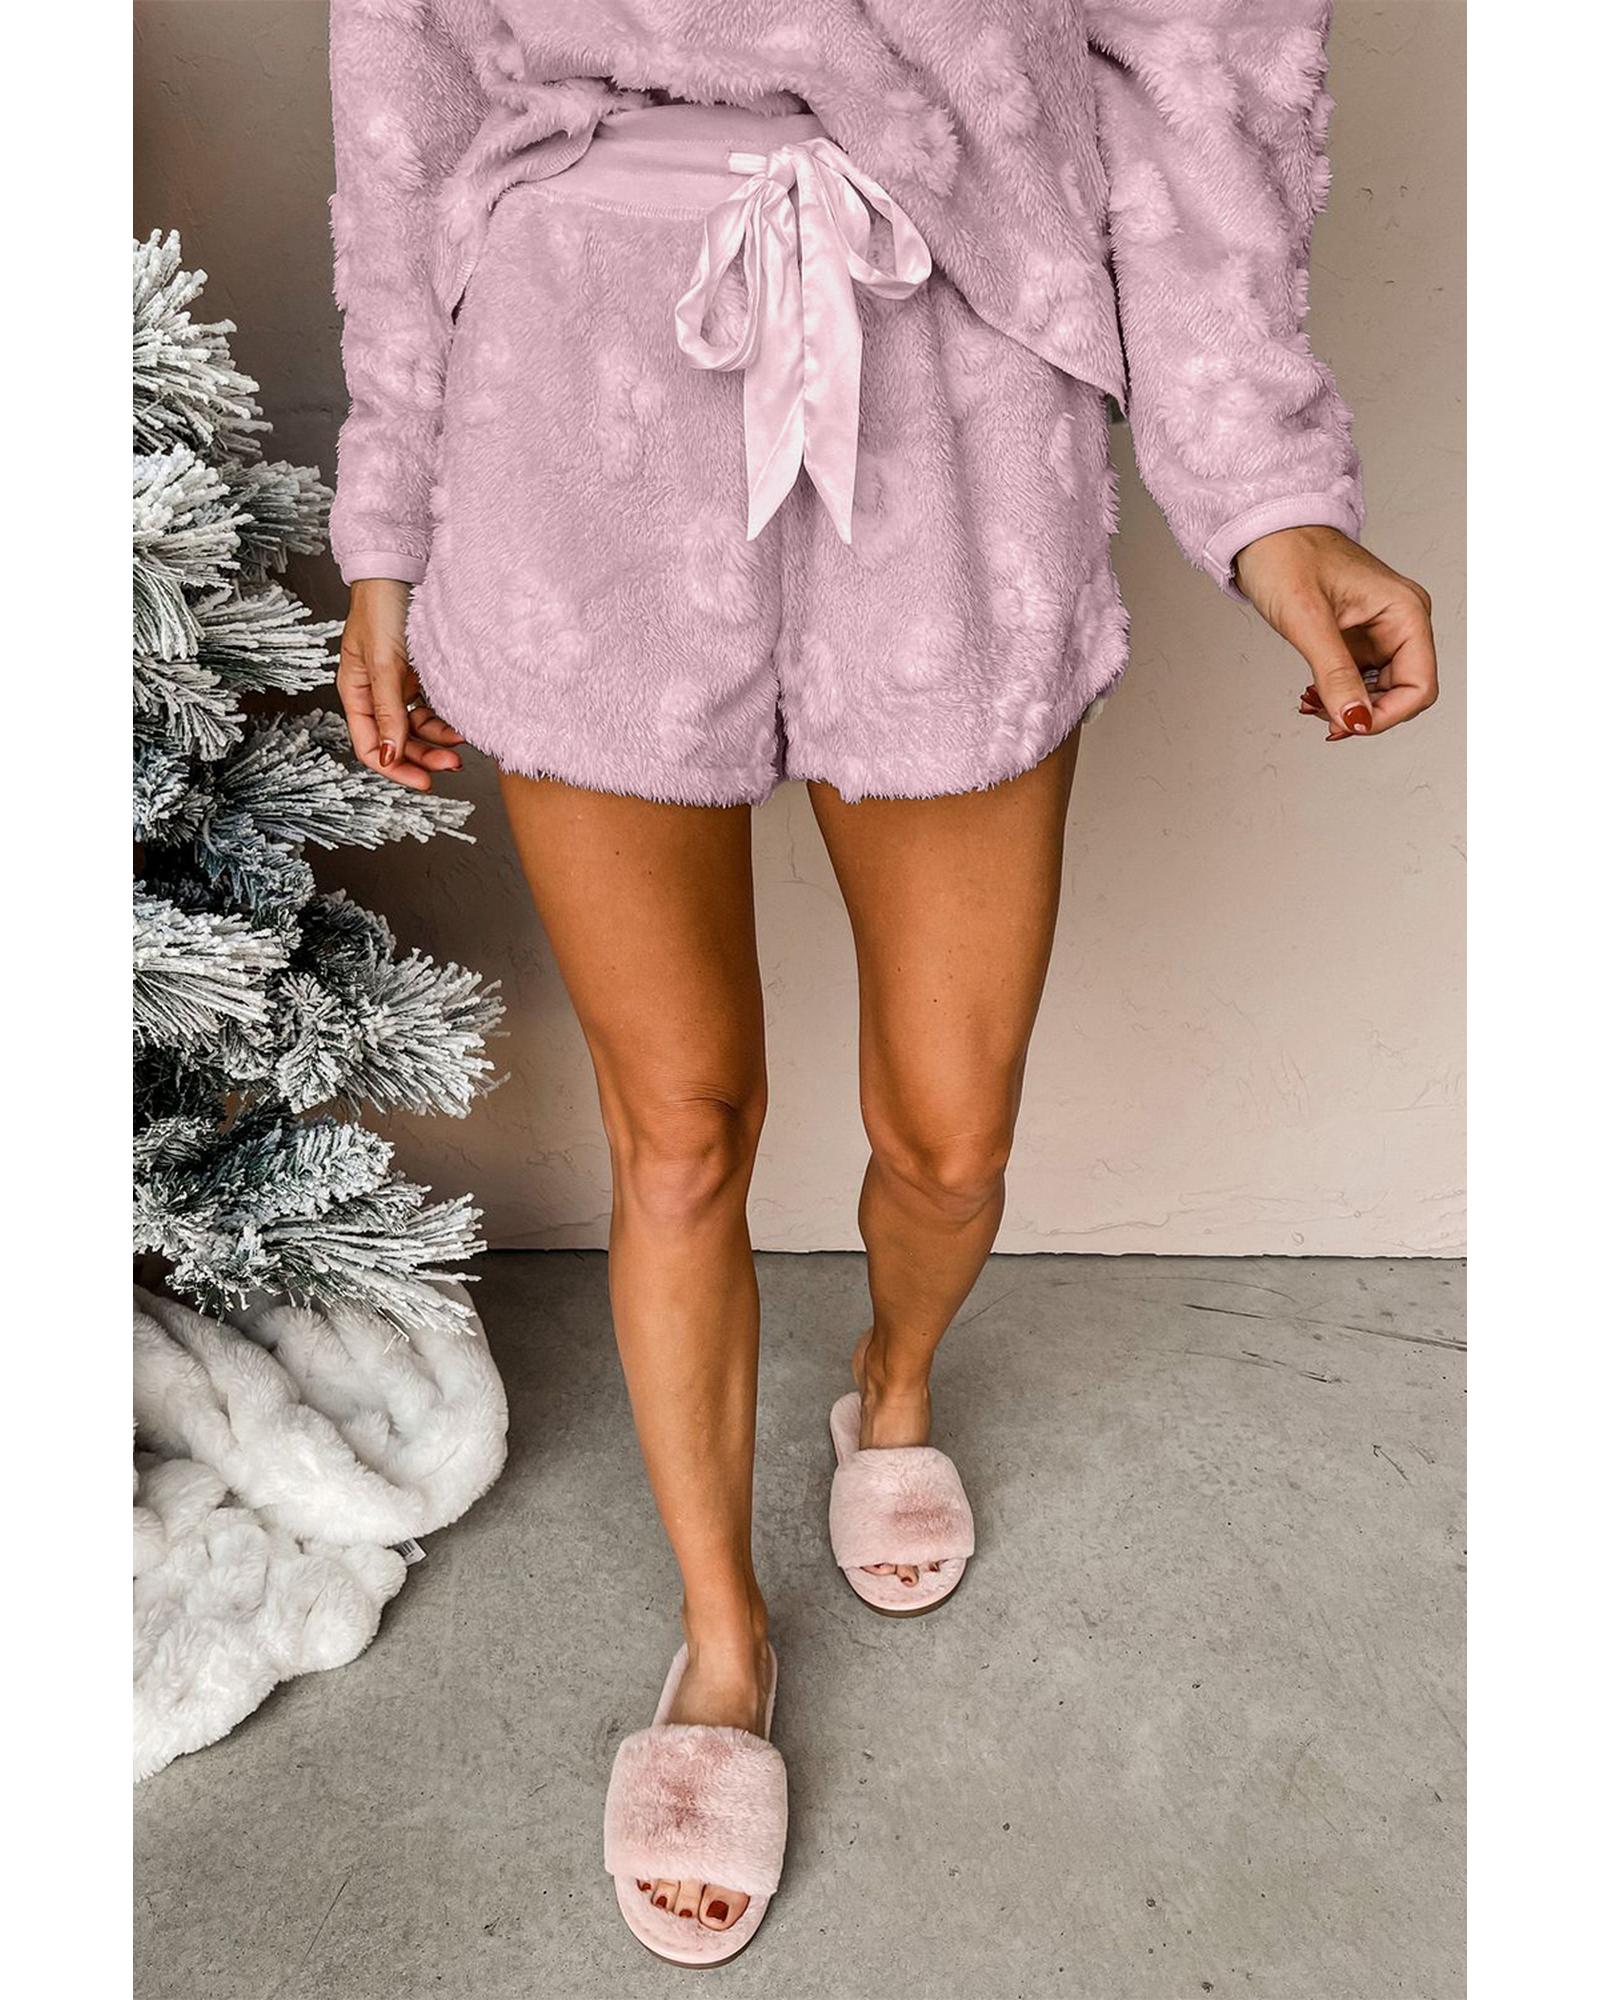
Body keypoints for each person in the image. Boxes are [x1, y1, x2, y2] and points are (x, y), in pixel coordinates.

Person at [327, 1, 1437, 1964]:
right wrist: (389, 520)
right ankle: (720, 1638)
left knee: (947, 1131)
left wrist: (1269, 491)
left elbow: (1193, 70)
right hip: (571, 402)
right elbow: (404, 102)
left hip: (950, 376)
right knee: (678, 1126)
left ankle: (891, 1386)